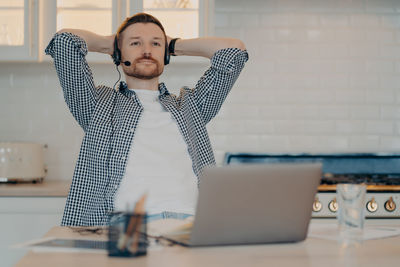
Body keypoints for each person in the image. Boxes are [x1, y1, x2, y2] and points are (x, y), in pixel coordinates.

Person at [45, 13, 248, 226]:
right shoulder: (97, 105)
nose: (147, 50)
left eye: (156, 44)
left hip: (192, 225)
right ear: (118, 53)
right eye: (135, 43)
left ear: (166, 56)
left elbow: (234, 51)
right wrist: (112, 44)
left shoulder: (192, 106)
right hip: (126, 230)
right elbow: (65, 41)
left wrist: (173, 45)